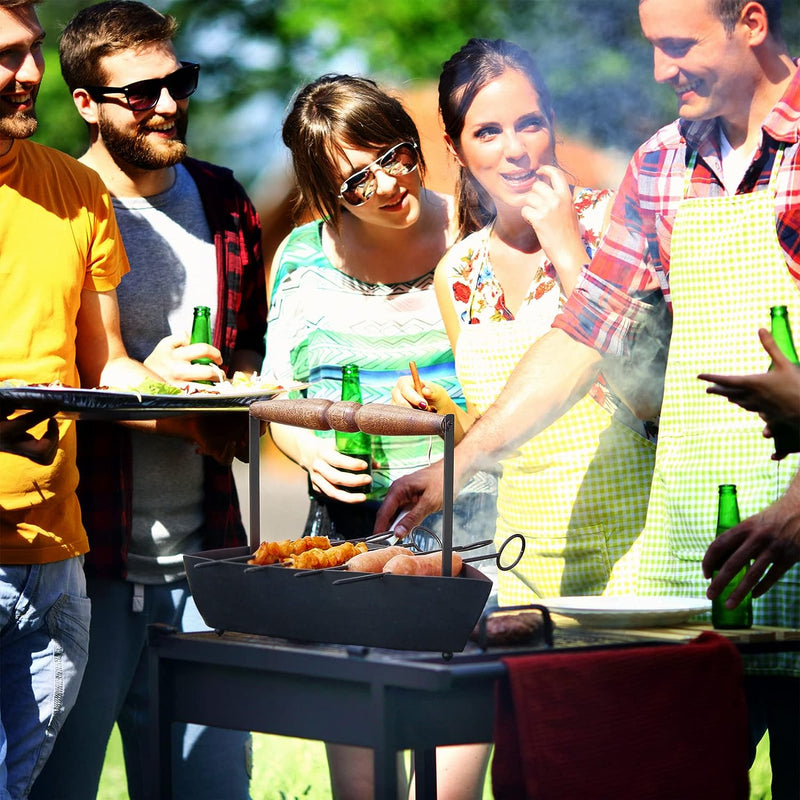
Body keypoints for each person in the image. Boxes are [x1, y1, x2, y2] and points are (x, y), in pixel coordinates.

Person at [377, 1, 800, 795]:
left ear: (750, 22)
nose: (658, 71)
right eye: (650, 47)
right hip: (690, 578)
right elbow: (584, 335)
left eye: (678, 46)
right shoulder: (660, 165)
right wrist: (458, 464)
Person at [388, 37, 656, 800]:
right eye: (489, 131)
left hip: (635, 557)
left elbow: (650, 392)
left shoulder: (618, 224)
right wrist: (452, 423)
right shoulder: (458, 272)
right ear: (455, 146)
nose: (516, 150)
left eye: (531, 123)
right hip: (526, 566)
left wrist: (571, 253)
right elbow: (497, 416)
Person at [30, 3, 266, 799]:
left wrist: (236, 388)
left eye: (178, 82)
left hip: (207, 562)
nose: (167, 104)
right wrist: (172, 401)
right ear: (86, 105)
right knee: (58, 784)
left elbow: (249, 342)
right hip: (84, 561)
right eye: (140, 93)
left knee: (213, 790)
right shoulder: (51, 206)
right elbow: (60, 375)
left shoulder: (226, 199)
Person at [263, 73, 497, 800]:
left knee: (450, 775)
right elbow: (277, 397)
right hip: (349, 532)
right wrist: (310, 448)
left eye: (396, 153)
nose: (390, 183)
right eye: (357, 180)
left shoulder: (481, 234)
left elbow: (531, 380)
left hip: (473, 529)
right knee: (363, 781)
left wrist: (452, 413)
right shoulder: (301, 260)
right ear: (327, 193)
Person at [0, 1, 159, 797]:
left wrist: (177, 387)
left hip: (52, 564)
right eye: (5, 57)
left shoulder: (73, 190)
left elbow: (107, 368)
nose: (30, 75)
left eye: (30, 52)